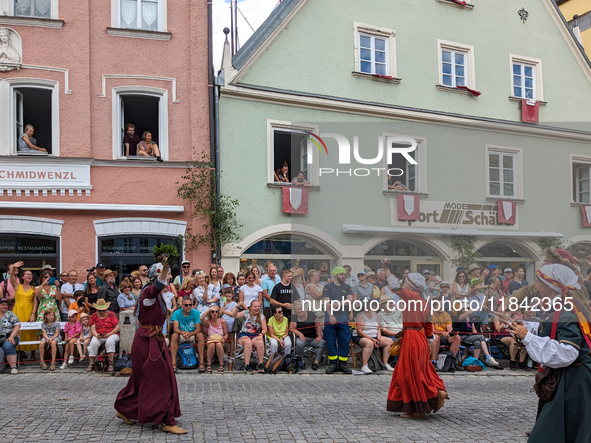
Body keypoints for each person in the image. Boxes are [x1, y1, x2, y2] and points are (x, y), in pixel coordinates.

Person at [507, 264, 591, 443]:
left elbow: (568, 352)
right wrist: (526, 331)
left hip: (572, 381)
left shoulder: (566, 311)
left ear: (549, 286)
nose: (536, 286)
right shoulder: (560, 307)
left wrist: (528, 337)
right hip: (566, 378)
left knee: (559, 433)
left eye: (539, 282)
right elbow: (553, 334)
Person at [115, 258, 186, 435]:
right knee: (161, 378)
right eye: (166, 273)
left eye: (168, 273)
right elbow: (158, 285)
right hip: (147, 340)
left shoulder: (158, 296)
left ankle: (126, 408)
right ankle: (165, 420)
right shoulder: (149, 293)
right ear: (157, 276)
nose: (169, 276)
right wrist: (166, 266)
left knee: (141, 378)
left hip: (152, 338)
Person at [387, 273, 447, 418]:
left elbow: (396, 288)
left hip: (412, 339)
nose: (404, 284)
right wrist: (427, 340)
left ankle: (419, 409)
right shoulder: (424, 302)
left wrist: (386, 269)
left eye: (405, 282)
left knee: (409, 373)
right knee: (421, 371)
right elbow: (428, 326)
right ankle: (435, 391)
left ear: (411, 285)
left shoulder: (412, 296)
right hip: (419, 338)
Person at [323, 266, 354, 374]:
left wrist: (338, 303)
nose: (344, 276)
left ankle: (342, 363)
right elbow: (326, 302)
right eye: (342, 274)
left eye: (344, 274)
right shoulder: (327, 287)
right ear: (336, 275)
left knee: (344, 340)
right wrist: (331, 315)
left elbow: (350, 299)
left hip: (342, 316)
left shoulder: (347, 287)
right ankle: (333, 363)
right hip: (329, 316)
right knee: (331, 341)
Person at [170, 295, 205, 373]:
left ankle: (201, 363)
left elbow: (198, 328)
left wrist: (190, 334)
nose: (188, 307)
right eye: (186, 305)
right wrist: (183, 333)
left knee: (200, 335)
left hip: (192, 334)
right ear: (182, 306)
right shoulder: (177, 313)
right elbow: (175, 329)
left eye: (190, 305)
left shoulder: (195, 312)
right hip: (181, 334)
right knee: (174, 336)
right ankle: (173, 363)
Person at [352, 308, 394, 373]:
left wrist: (379, 338)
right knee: (370, 343)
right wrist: (372, 339)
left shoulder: (375, 314)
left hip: (374, 336)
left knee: (389, 341)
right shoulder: (360, 315)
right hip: (361, 336)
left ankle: (385, 363)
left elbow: (378, 328)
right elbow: (359, 331)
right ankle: (364, 365)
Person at [10, 262, 37, 359]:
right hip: (18, 310)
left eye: (31, 275)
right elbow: (11, 277)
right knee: (17, 331)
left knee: (31, 331)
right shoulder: (17, 286)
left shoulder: (34, 288)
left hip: (29, 310)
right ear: (23, 277)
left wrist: (33, 314)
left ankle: (33, 354)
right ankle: (19, 353)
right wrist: (14, 267)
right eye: (28, 274)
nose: (30, 276)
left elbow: (35, 302)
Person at [290, 300, 325, 370]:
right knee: (299, 344)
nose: (300, 311)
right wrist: (299, 333)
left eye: (301, 308)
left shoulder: (310, 314)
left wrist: (319, 336)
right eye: (298, 310)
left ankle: (316, 362)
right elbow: (291, 328)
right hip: (302, 339)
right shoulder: (294, 317)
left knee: (322, 343)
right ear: (295, 312)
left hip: (313, 338)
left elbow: (318, 325)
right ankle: (302, 360)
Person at [87, 298, 120, 373]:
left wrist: (109, 334)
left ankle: (111, 363)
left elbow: (117, 327)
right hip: (99, 334)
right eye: (100, 310)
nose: (102, 312)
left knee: (110, 341)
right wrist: (96, 335)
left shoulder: (111, 314)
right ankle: (91, 362)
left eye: (103, 310)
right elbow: (93, 328)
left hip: (111, 333)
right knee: (93, 343)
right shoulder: (94, 316)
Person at [234, 300, 267, 373]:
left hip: (255, 335)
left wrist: (261, 334)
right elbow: (234, 315)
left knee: (260, 342)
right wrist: (237, 307)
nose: (257, 308)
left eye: (258, 306)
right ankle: (247, 365)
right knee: (248, 343)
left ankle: (260, 364)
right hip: (244, 334)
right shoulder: (246, 313)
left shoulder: (261, 316)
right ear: (251, 307)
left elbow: (265, 329)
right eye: (255, 306)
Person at [430, 301, 461, 366]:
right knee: (437, 336)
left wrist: (453, 333)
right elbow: (431, 330)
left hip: (444, 336)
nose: (442, 306)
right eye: (439, 304)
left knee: (457, 338)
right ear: (434, 306)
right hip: (433, 336)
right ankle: (433, 361)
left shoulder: (446, 315)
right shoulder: (430, 314)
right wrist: (442, 332)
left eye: (442, 305)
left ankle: (451, 361)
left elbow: (449, 329)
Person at [201, 306, 228, 372]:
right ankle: (209, 364)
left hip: (220, 340)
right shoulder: (208, 321)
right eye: (212, 312)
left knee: (218, 344)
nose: (214, 313)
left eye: (216, 312)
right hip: (210, 340)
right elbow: (201, 318)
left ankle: (221, 364)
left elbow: (226, 334)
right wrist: (209, 309)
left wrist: (224, 338)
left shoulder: (222, 321)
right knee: (211, 345)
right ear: (210, 313)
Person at [0, 297, 20, 375]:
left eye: (6, 305)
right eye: (2, 305)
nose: (5, 306)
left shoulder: (10, 314)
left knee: (8, 345)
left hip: (10, 336)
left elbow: (17, 325)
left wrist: (11, 336)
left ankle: (13, 367)